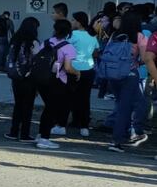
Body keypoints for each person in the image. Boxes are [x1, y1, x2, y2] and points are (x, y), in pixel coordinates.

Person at [106, 11, 149, 152]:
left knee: (126, 104)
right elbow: (144, 58)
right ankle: (117, 140)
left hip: (113, 75)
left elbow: (107, 52)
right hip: (130, 75)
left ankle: (132, 132)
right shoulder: (139, 36)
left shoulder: (115, 35)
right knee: (127, 108)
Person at [33, 19, 78, 150]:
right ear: (69, 32)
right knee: (52, 110)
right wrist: (77, 73)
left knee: (48, 108)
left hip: (42, 80)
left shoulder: (46, 42)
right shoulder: (68, 47)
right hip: (57, 81)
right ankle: (44, 139)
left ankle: (41, 133)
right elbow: (68, 68)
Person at [60, 11, 98, 138]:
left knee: (67, 98)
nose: (71, 22)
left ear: (79, 22)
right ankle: (84, 126)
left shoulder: (72, 35)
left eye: (73, 20)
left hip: (73, 69)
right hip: (88, 69)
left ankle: (61, 125)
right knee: (84, 99)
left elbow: (63, 49)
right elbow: (96, 51)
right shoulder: (92, 35)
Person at [5, 17, 41, 141]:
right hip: (29, 79)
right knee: (28, 107)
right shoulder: (34, 43)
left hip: (16, 78)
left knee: (18, 106)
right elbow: (37, 62)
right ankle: (25, 134)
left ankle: (13, 132)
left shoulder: (15, 40)